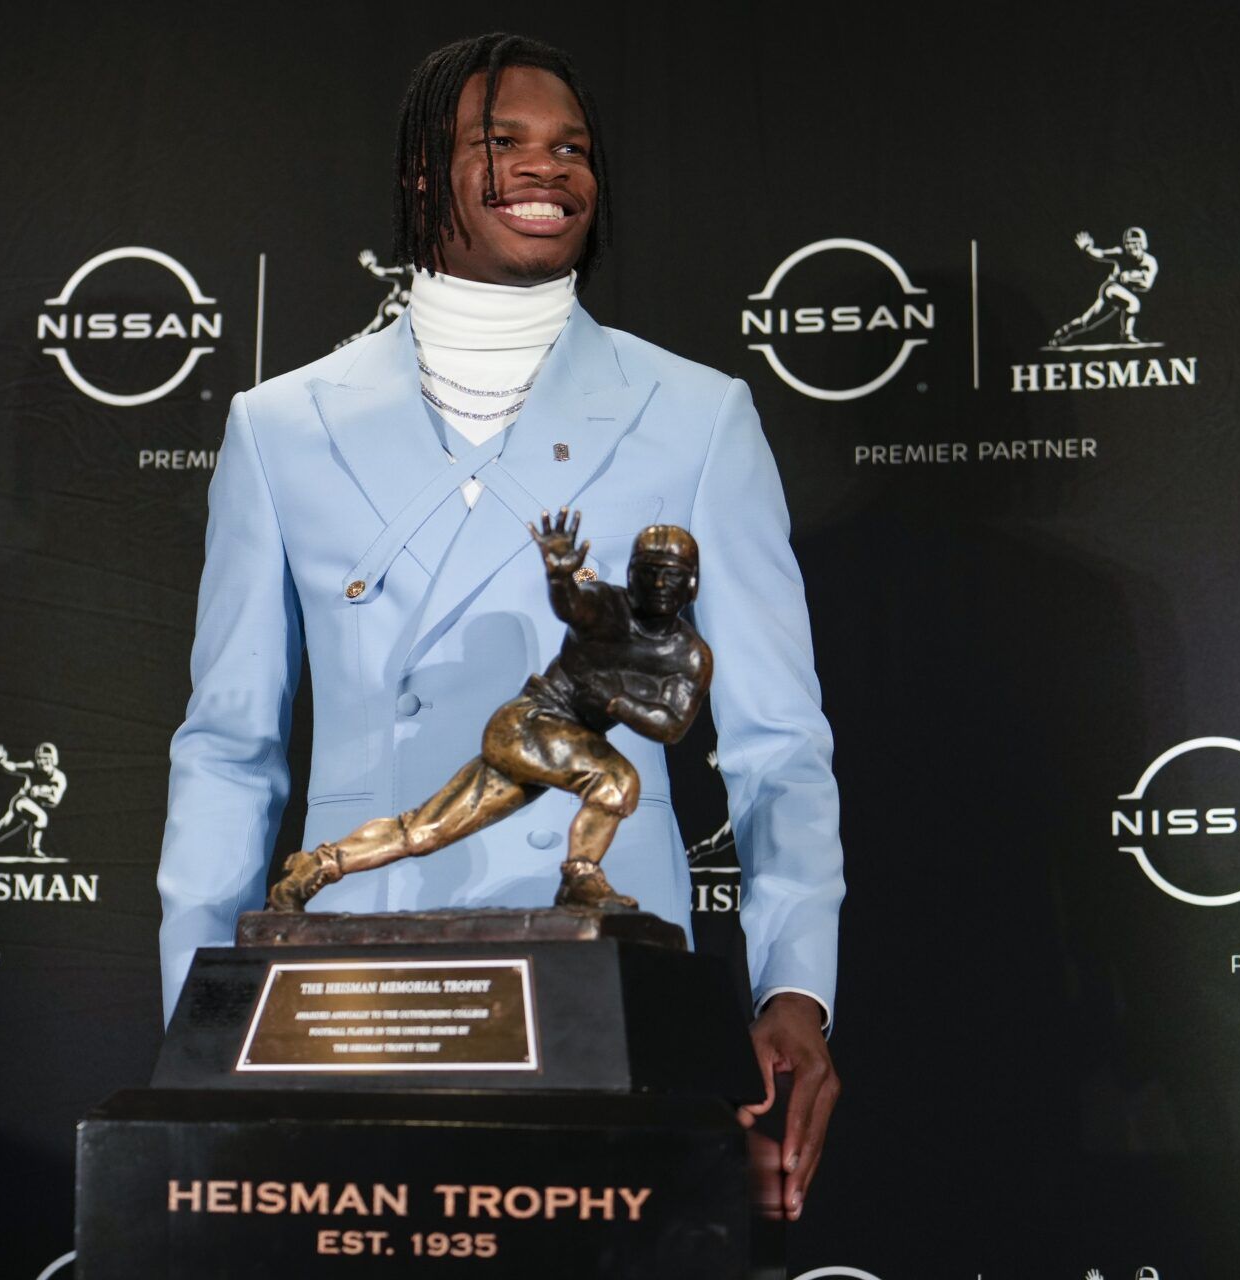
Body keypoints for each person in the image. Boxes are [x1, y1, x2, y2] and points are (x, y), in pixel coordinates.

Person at [159, 32, 843, 1220]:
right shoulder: (279, 427)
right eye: (505, 142)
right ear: (426, 172)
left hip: (614, 997)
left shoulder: (698, 414)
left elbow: (779, 740)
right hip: (350, 998)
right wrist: (199, 1019)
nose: (550, 168)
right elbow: (229, 749)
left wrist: (797, 991)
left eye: (571, 146)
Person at [267, 515, 710, 912]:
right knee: (616, 780)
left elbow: (671, 726)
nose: (657, 585)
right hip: (529, 724)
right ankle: (580, 879)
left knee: (424, 832)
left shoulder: (688, 655)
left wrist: (615, 701)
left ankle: (313, 868)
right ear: (631, 574)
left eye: (670, 576)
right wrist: (559, 575)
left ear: (691, 584)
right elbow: (572, 605)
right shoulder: (607, 606)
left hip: (560, 744)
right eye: (648, 572)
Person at [1048, 227, 1158, 346]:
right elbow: (1101, 253)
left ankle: (1062, 333)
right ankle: (1127, 335)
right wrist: (1087, 248)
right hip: (1111, 289)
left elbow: (1147, 285)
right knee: (1134, 303)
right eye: (1128, 243)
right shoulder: (1120, 253)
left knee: (1086, 322)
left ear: (1142, 244)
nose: (1131, 247)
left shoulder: (1150, 262)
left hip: (1122, 295)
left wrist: (1131, 278)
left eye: (1135, 243)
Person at [0, 743, 67, 860]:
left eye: (46, 758)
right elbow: (13, 767)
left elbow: (55, 801)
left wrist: (41, 794)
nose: (42, 762)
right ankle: (34, 849)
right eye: (40, 758)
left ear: (53, 759)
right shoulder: (32, 767)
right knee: (42, 818)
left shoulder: (59, 778)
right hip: (21, 802)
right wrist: (1, 761)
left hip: (32, 808)